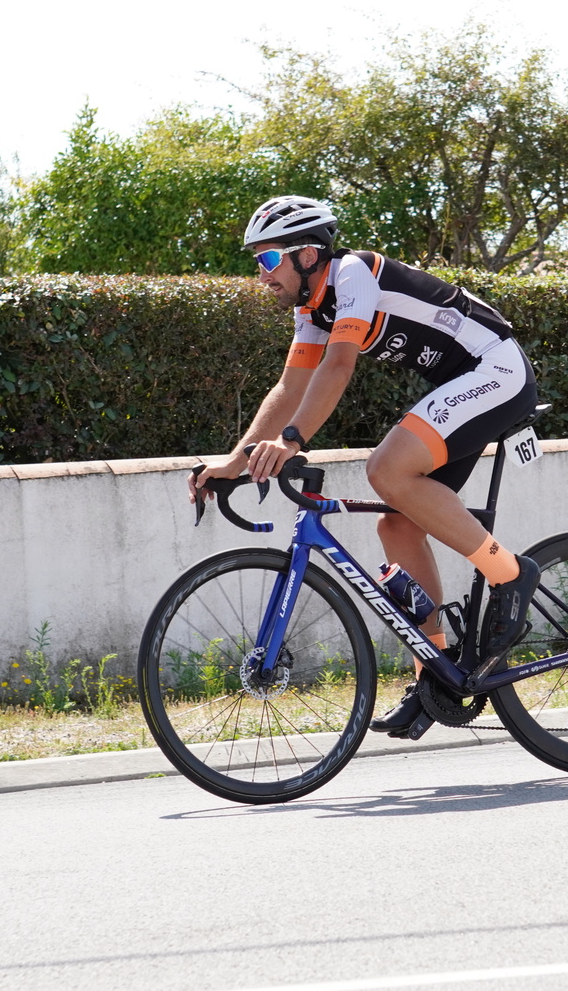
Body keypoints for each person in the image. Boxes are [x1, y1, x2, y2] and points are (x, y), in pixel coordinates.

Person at [190, 195, 541, 738]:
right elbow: (290, 388)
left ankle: (510, 574)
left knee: (387, 470)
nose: (262, 275)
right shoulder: (313, 308)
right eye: (257, 262)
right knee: (396, 525)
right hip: (463, 384)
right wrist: (235, 462)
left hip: (496, 370)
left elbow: (338, 365)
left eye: (268, 259)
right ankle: (436, 679)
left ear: (308, 255)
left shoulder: (353, 274)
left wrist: (292, 441)